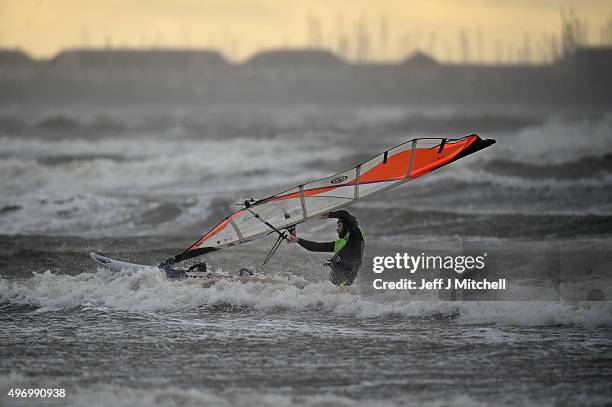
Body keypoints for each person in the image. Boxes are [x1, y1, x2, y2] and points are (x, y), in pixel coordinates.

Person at [287, 210, 365, 286]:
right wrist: (297, 240)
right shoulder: (340, 244)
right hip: (334, 285)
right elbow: (315, 247)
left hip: (343, 284)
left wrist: (329, 215)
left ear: (347, 226)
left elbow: (344, 214)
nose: (337, 229)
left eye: (339, 226)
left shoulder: (356, 238)